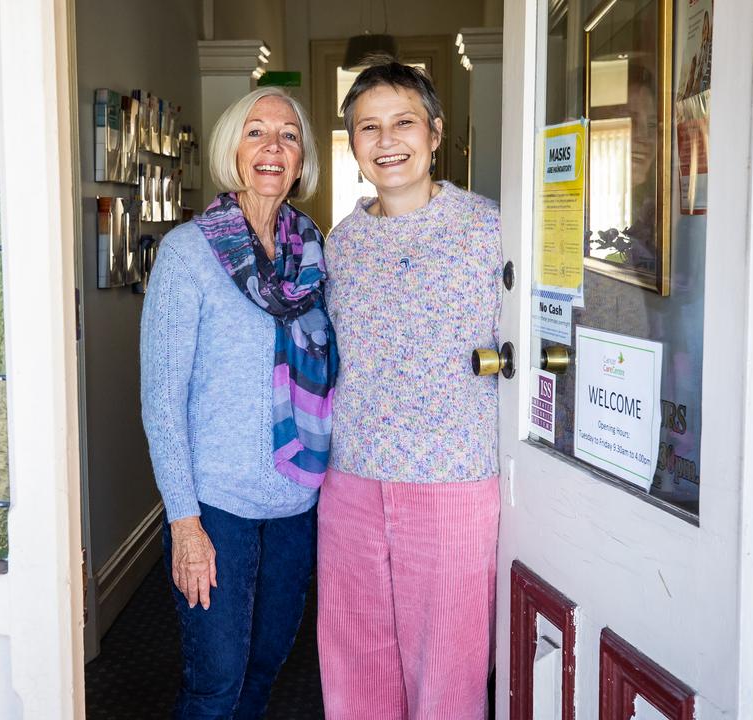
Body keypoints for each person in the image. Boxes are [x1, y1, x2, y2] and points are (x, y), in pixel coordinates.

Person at [140, 86, 336, 719]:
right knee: (214, 683)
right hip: (214, 508)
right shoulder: (187, 253)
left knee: (264, 670)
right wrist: (184, 523)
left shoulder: (316, 254)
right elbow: (162, 401)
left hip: (296, 503)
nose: (272, 147)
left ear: (302, 158)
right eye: (256, 132)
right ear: (232, 150)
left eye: (288, 135)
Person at [317, 58, 502, 719]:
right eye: (368, 126)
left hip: (453, 478)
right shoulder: (340, 244)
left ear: (435, 132)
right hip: (353, 481)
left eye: (403, 122)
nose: (387, 140)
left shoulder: (489, 228)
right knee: (354, 665)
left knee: (449, 670)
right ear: (354, 145)